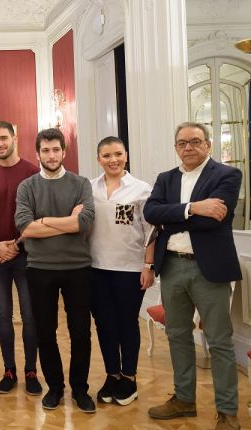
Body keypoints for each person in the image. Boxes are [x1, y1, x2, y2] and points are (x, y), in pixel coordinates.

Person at [144, 122, 242, 430]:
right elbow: (150, 213)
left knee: (219, 342)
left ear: (208, 145)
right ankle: (184, 400)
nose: (189, 147)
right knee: (177, 336)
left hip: (208, 268)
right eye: (182, 142)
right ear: (176, 147)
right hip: (171, 267)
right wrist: (194, 208)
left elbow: (215, 221)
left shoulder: (227, 175)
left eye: (196, 141)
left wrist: (172, 215)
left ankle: (227, 412)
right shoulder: (165, 178)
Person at [14, 128, 96, 413]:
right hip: (40, 269)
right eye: (45, 150)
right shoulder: (27, 187)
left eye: (55, 150)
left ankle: (80, 390)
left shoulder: (81, 183)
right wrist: (63, 221)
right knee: (45, 332)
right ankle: (56, 388)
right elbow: (25, 228)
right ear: (38, 154)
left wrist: (44, 222)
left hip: (78, 268)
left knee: (80, 333)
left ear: (63, 151)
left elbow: (83, 223)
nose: (51, 155)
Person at [0, 121, 42, 396]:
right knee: (2, 316)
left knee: (29, 316)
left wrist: (15, 244)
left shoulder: (32, 172)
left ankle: (31, 371)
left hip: (27, 255)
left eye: (3, 138)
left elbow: (38, 214)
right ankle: (9, 370)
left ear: (15, 137)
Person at [89, 137, 154, 407]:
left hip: (129, 268)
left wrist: (148, 266)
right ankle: (112, 375)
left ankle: (129, 377)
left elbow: (152, 231)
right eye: (106, 155)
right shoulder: (89, 188)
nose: (112, 160)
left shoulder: (140, 189)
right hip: (95, 268)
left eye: (117, 154)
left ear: (126, 155)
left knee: (126, 323)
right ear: (99, 159)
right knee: (104, 324)